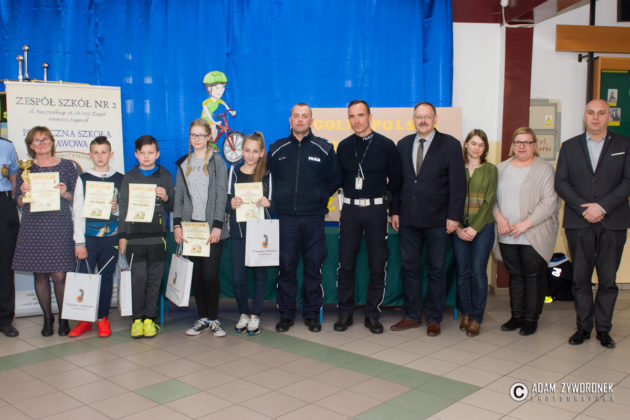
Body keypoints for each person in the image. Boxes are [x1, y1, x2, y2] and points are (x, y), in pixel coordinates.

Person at [555, 99, 630, 349]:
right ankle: (583, 328)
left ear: (609, 116)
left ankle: (604, 329)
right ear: (585, 116)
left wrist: (602, 206)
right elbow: (561, 182)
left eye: (601, 113)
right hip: (579, 222)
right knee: (580, 278)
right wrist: (583, 208)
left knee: (607, 280)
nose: (595, 117)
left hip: (613, 222)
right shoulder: (569, 146)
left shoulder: (624, 145)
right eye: (591, 112)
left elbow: (628, 181)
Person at [390, 102, 466, 337]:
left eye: (427, 116)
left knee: (436, 270)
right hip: (408, 219)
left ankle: (434, 318)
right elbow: (397, 183)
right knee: (409, 268)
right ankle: (412, 315)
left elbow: (458, 184)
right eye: (419, 117)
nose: (422, 121)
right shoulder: (403, 144)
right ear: (413, 119)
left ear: (435, 118)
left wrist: (454, 216)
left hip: (438, 220)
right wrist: (394, 211)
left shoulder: (450, 144)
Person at [267, 103, 342, 333]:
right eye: (296, 116)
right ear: (290, 119)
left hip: (313, 218)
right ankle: (286, 315)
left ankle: (311, 315)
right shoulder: (277, 148)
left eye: (304, 116)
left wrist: (319, 197)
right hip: (286, 218)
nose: (300, 120)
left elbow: (335, 179)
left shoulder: (324, 148)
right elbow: (268, 179)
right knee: (286, 266)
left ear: (311, 120)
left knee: (313, 266)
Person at [334, 100, 402, 334]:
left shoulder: (386, 145)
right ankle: (345, 312)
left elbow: (397, 181)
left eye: (360, 115)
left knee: (377, 263)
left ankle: (372, 314)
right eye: (352, 116)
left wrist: (394, 210)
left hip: (375, 210)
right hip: (350, 211)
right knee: (346, 264)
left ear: (370, 116)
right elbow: (336, 179)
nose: (356, 120)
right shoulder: (343, 146)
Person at [12, 126, 79, 336]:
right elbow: (18, 202)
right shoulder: (25, 170)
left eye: (45, 139)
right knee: (40, 275)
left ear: (52, 142)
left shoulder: (67, 166)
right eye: (37, 140)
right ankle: (47, 318)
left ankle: (64, 318)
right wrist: (23, 194)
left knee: (60, 275)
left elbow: (77, 198)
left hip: (60, 225)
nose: (42, 143)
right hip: (34, 226)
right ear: (31, 146)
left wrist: (65, 193)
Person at [494, 127, 559, 336]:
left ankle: (531, 319)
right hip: (507, 233)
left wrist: (526, 223)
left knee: (533, 276)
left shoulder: (545, 169)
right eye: (518, 142)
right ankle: (516, 316)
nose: (522, 146)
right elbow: (491, 198)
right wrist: (499, 218)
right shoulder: (501, 168)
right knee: (515, 275)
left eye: (527, 142)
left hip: (534, 233)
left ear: (534, 145)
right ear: (513, 145)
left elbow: (550, 202)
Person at [174, 119, 229, 337]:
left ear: (209, 137)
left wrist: (217, 226)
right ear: (189, 137)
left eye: (201, 135)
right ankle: (203, 317)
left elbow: (221, 195)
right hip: (191, 228)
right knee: (196, 275)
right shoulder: (183, 163)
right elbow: (179, 197)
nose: (197, 139)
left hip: (211, 227)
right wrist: (177, 225)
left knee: (210, 275)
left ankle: (214, 319)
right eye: (193, 135)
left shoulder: (217, 162)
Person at [118, 135, 174, 338]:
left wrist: (166, 197)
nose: (147, 156)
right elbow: (123, 207)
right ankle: (137, 319)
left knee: (154, 280)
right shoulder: (129, 177)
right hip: (134, 238)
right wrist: (122, 236)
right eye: (142, 153)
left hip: (157, 238)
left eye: (151, 152)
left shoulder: (165, 175)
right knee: (138, 279)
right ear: (136, 154)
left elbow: (172, 204)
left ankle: (150, 318)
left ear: (157, 154)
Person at [69, 136, 122, 338]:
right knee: (85, 277)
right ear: (90, 155)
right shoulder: (83, 178)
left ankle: (102, 318)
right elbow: (77, 211)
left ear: (111, 154)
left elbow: (125, 211)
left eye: (104, 152)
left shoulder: (120, 178)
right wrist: (79, 242)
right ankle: (84, 320)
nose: (100, 156)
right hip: (88, 239)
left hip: (111, 238)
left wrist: (116, 209)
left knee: (106, 277)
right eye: (96, 152)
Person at [451, 129, 497, 337]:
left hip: (483, 228)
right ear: (466, 144)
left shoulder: (490, 170)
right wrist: (458, 227)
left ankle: (477, 317)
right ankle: (466, 313)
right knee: (462, 273)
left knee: (478, 272)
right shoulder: (456, 168)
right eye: (473, 143)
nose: (476, 148)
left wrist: (474, 228)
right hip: (458, 227)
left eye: (481, 144)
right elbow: (450, 198)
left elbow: (489, 201)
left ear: (485, 148)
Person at [227, 132, 272, 335]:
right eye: (247, 151)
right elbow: (226, 199)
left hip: (260, 231)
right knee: (238, 278)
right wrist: (231, 203)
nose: (251, 155)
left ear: (262, 152)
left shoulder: (267, 173)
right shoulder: (233, 171)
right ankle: (244, 312)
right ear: (241, 151)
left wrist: (268, 202)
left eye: (255, 151)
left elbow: (274, 200)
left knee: (259, 275)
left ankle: (256, 315)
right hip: (239, 231)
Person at [0, 137, 19, 337]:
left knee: (4, 264)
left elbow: (13, 175)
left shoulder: (6, 146)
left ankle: (5, 319)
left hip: (3, 203)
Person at [201, 70, 237, 141]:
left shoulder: (218, 101)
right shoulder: (206, 102)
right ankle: (209, 144)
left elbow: (225, 105)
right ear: (209, 88)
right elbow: (207, 114)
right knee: (211, 131)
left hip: (212, 119)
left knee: (215, 131)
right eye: (217, 87)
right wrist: (213, 122)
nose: (220, 91)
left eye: (223, 87)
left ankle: (212, 143)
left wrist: (231, 111)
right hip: (205, 120)